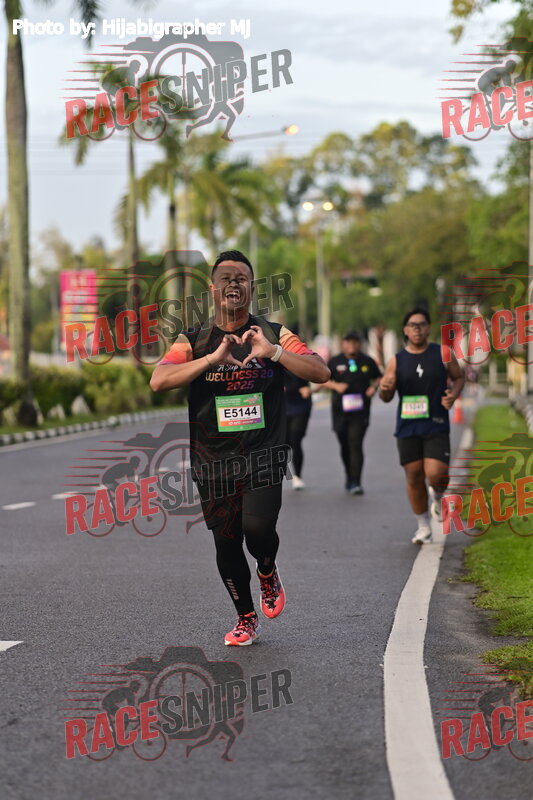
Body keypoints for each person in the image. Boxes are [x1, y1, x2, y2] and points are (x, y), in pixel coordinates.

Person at [150, 250, 330, 645]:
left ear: (251, 287)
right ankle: (245, 617)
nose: (234, 283)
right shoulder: (193, 339)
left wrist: (274, 352)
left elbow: (321, 371)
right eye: (226, 278)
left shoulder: (273, 332)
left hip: (263, 453)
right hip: (213, 459)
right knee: (226, 540)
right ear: (212, 289)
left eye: (242, 278)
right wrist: (211, 359)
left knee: (258, 529)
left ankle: (267, 569)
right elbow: (159, 380)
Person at [379, 307, 464, 544]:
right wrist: (384, 389)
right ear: (405, 330)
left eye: (422, 325)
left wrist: (454, 395)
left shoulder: (443, 353)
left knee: (437, 474)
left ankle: (437, 495)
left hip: (436, 422)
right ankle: (423, 526)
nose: (417, 329)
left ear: (428, 328)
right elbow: (386, 396)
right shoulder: (396, 361)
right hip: (408, 426)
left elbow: (459, 377)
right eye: (412, 325)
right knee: (414, 476)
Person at [323, 331, 381, 494]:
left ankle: (356, 481)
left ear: (359, 344)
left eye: (355, 342)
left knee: (356, 443)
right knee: (345, 444)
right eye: (348, 342)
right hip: (339, 410)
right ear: (343, 344)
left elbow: (379, 377)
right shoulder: (335, 361)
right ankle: (349, 475)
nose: (352, 345)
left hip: (360, 411)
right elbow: (321, 379)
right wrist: (336, 386)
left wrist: (373, 388)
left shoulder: (367, 361)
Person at [284, 371, 312, 490]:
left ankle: (297, 476)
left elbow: (318, 376)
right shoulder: (274, 364)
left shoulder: (301, 363)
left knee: (295, 441)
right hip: (281, 409)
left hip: (300, 408)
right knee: (283, 443)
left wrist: (310, 390)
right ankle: (279, 474)